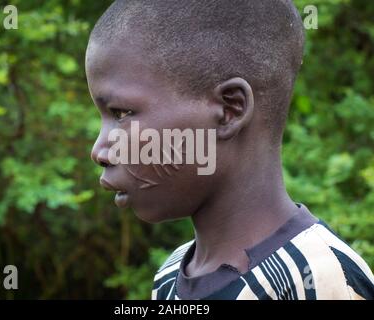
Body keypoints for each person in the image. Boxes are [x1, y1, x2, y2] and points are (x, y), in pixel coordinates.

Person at [85, 0, 374, 299]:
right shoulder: (170, 276)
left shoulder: (318, 279)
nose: (100, 150)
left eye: (122, 114)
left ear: (229, 110)